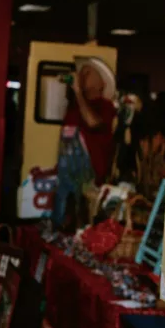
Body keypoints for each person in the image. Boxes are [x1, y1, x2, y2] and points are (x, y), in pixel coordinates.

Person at [52, 58, 117, 226]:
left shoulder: (105, 106)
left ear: (101, 83)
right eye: (81, 72)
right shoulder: (73, 107)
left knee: (83, 226)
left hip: (89, 182)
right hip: (65, 180)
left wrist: (79, 93)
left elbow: (93, 123)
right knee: (60, 223)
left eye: (87, 72)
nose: (81, 75)